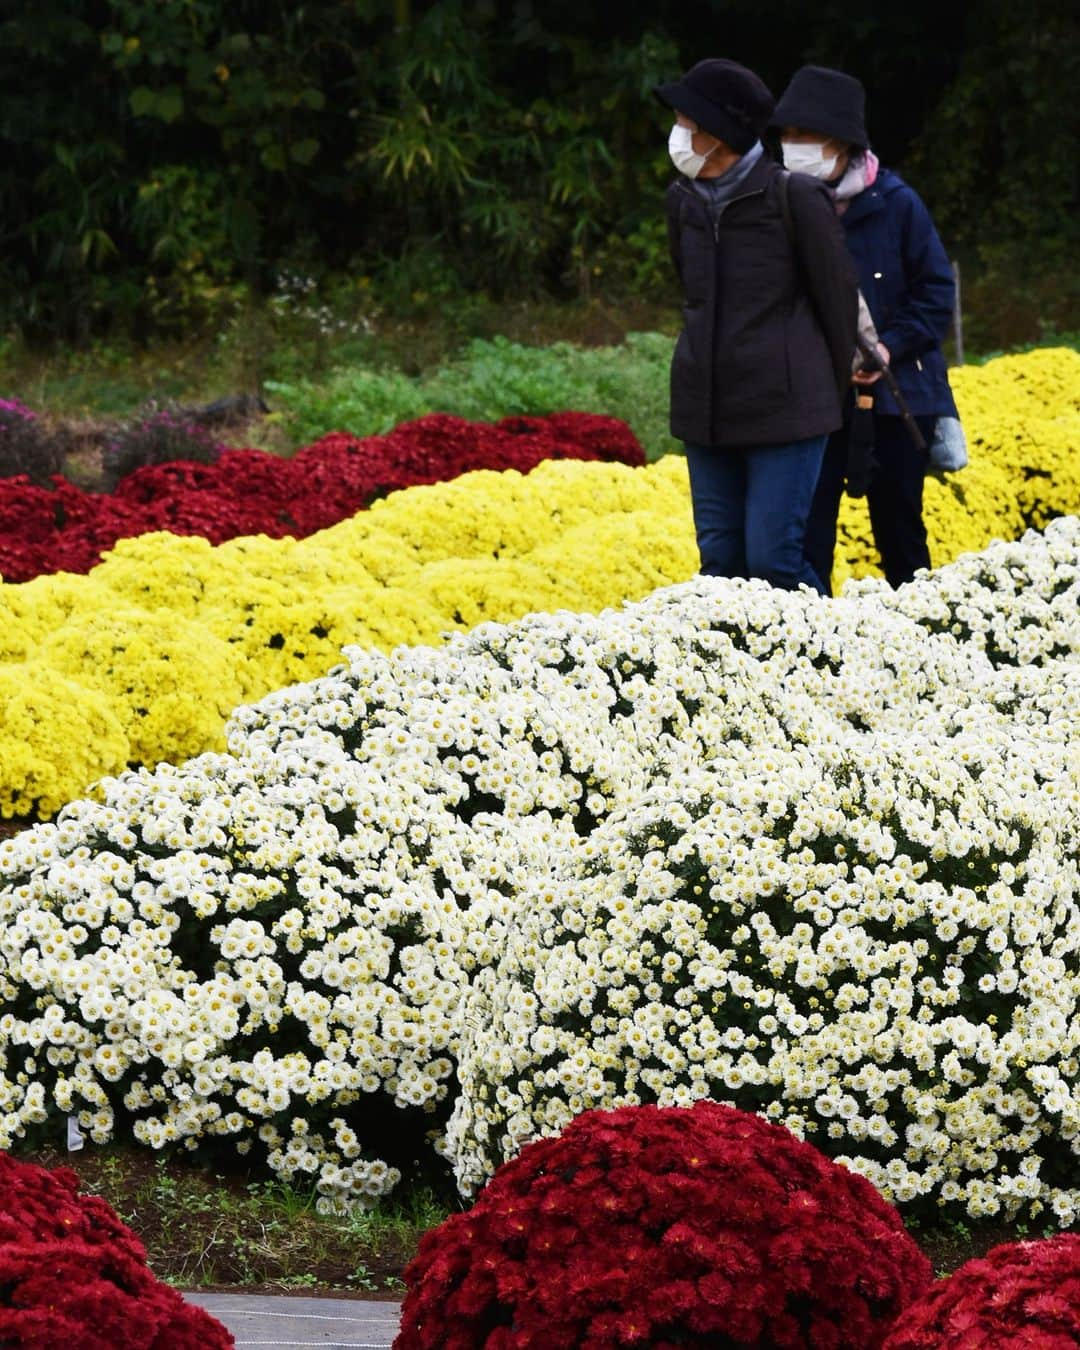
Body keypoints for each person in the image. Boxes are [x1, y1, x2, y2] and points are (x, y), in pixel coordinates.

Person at [654, 58, 858, 594]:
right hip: (707, 408)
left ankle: (834, 658)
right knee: (719, 564)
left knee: (775, 564)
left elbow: (837, 307)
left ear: (717, 132)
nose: (677, 135)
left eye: (685, 122)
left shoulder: (795, 199)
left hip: (787, 411)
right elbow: (691, 294)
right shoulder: (681, 202)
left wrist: (820, 396)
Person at [771, 65, 959, 593]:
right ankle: (817, 657)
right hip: (819, 401)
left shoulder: (896, 203)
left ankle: (922, 648)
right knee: (808, 542)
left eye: (801, 137)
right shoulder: (784, 205)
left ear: (838, 141)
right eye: (785, 137)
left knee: (901, 539)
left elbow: (936, 293)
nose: (790, 147)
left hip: (900, 401)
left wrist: (886, 348)